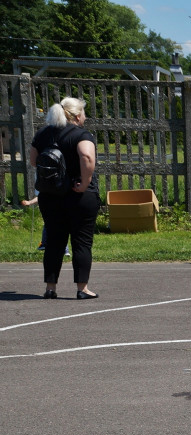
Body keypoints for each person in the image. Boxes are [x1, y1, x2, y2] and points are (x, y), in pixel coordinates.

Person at [30, 97, 100, 300]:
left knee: (53, 241)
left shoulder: (43, 133)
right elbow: (86, 157)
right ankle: (82, 288)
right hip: (79, 196)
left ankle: (50, 288)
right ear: (77, 116)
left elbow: (34, 161)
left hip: (50, 196)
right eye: (84, 113)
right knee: (81, 242)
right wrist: (85, 183)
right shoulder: (81, 134)